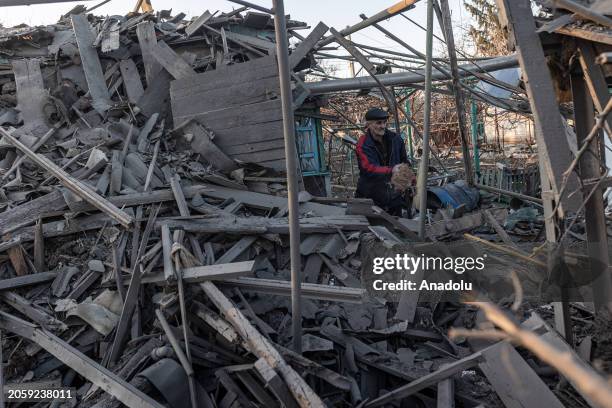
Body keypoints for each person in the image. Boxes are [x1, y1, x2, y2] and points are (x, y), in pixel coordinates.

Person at [355, 107, 415, 216]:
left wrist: (410, 177)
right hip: (370, 196)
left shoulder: (396, 139)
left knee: (397, 226)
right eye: (378, 123)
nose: (382, 126)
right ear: (368, 124)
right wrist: (391, 170)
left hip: (393, 196)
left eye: (384, 122)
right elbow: (368, 168)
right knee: (373, 230)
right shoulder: (363, 143)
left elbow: (404, 161)